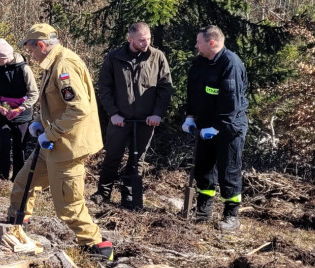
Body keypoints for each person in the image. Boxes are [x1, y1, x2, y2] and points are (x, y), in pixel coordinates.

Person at [8, 24, 114, 263]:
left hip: (67, 146)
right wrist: (39, 123)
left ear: (42, 45)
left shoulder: (64, 66)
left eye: (31, 49)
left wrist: (51, 133)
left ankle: (97, 247)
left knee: (68, 205)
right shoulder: (53, 63)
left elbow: (79, 108)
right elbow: (56, 106)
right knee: (24, 184)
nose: (30, 54)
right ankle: (15, 228)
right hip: (52, 144)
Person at [94, 22, 173, 208]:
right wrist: (113, 113)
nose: (146, 43)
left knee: (137, 160)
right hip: (120, 119)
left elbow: (165, 88)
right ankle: (103, 193)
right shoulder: (114, 57)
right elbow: (105, 88)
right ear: (130, 39)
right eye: (141, 40)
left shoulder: (157, 57)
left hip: (146, 120)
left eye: (148, 39)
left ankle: (129, 196)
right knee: (112, 156)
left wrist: (157, 114)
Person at [182, 25, 248, 231]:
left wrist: (217, 128)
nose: (195, 45)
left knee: (228, 171)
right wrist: (190, 117)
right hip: (204, 125)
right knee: (203, 168)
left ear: (211, 43)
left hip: (228, 128)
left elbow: (232, 104)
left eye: (199, 42)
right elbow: (192, 90)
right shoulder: (201, 63)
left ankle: (231, 216)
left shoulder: (231, 65)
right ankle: (203, 210)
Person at [0, 38, 39, 180]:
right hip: (3, 112)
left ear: (5, 56)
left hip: (22, 114)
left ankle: (18, 178)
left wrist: (20, 109)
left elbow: (34, 94)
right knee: (3, 143)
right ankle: (2, 176)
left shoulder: (24, 69)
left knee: (19, 146)